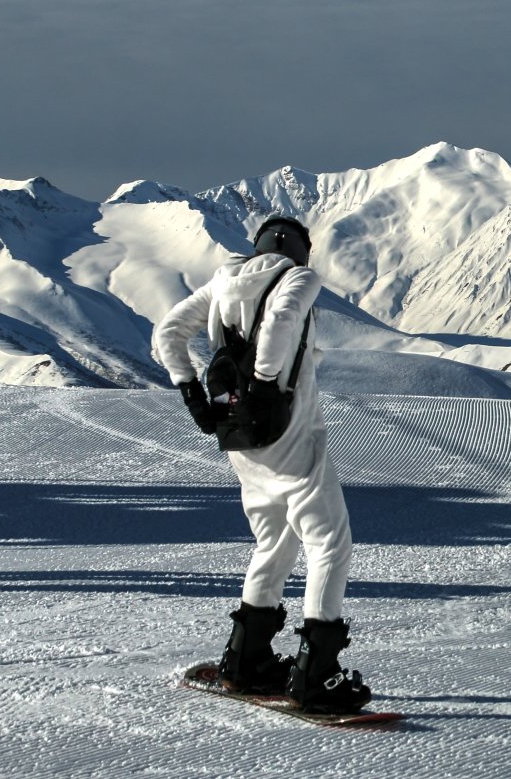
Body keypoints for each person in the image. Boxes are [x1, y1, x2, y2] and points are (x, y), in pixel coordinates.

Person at [152, 215, 372, 713]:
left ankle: (245, 662)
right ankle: (316, 676)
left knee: (275, 539)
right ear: (301, 250)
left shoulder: (225, 279)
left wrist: (192, 393)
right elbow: (283, 318)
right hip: (290, 433)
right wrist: (269, 385)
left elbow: (168, 333)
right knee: (330, 543)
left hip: (242, 440)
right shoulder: (298, 276)